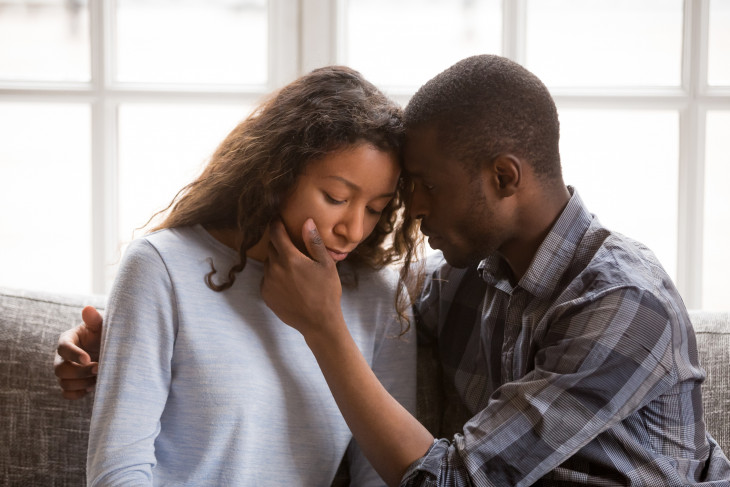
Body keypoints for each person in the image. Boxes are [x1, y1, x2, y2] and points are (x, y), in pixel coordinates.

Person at [57, 55, 730, 486]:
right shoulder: (468, 279)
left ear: (503, 178)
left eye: (412, 192)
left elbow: (448, 481)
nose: (405, 216)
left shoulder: (624, 304)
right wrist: (120, 344)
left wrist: (324, 327)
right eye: (346, 197)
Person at [58, 65, 422, 486]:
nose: (354, 229)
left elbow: (390, 477)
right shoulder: (161, 268)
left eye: (375, 208)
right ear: (279, 174)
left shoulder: (380, 300)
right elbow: (117, 474)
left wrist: (326, 323)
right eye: (336, 198)